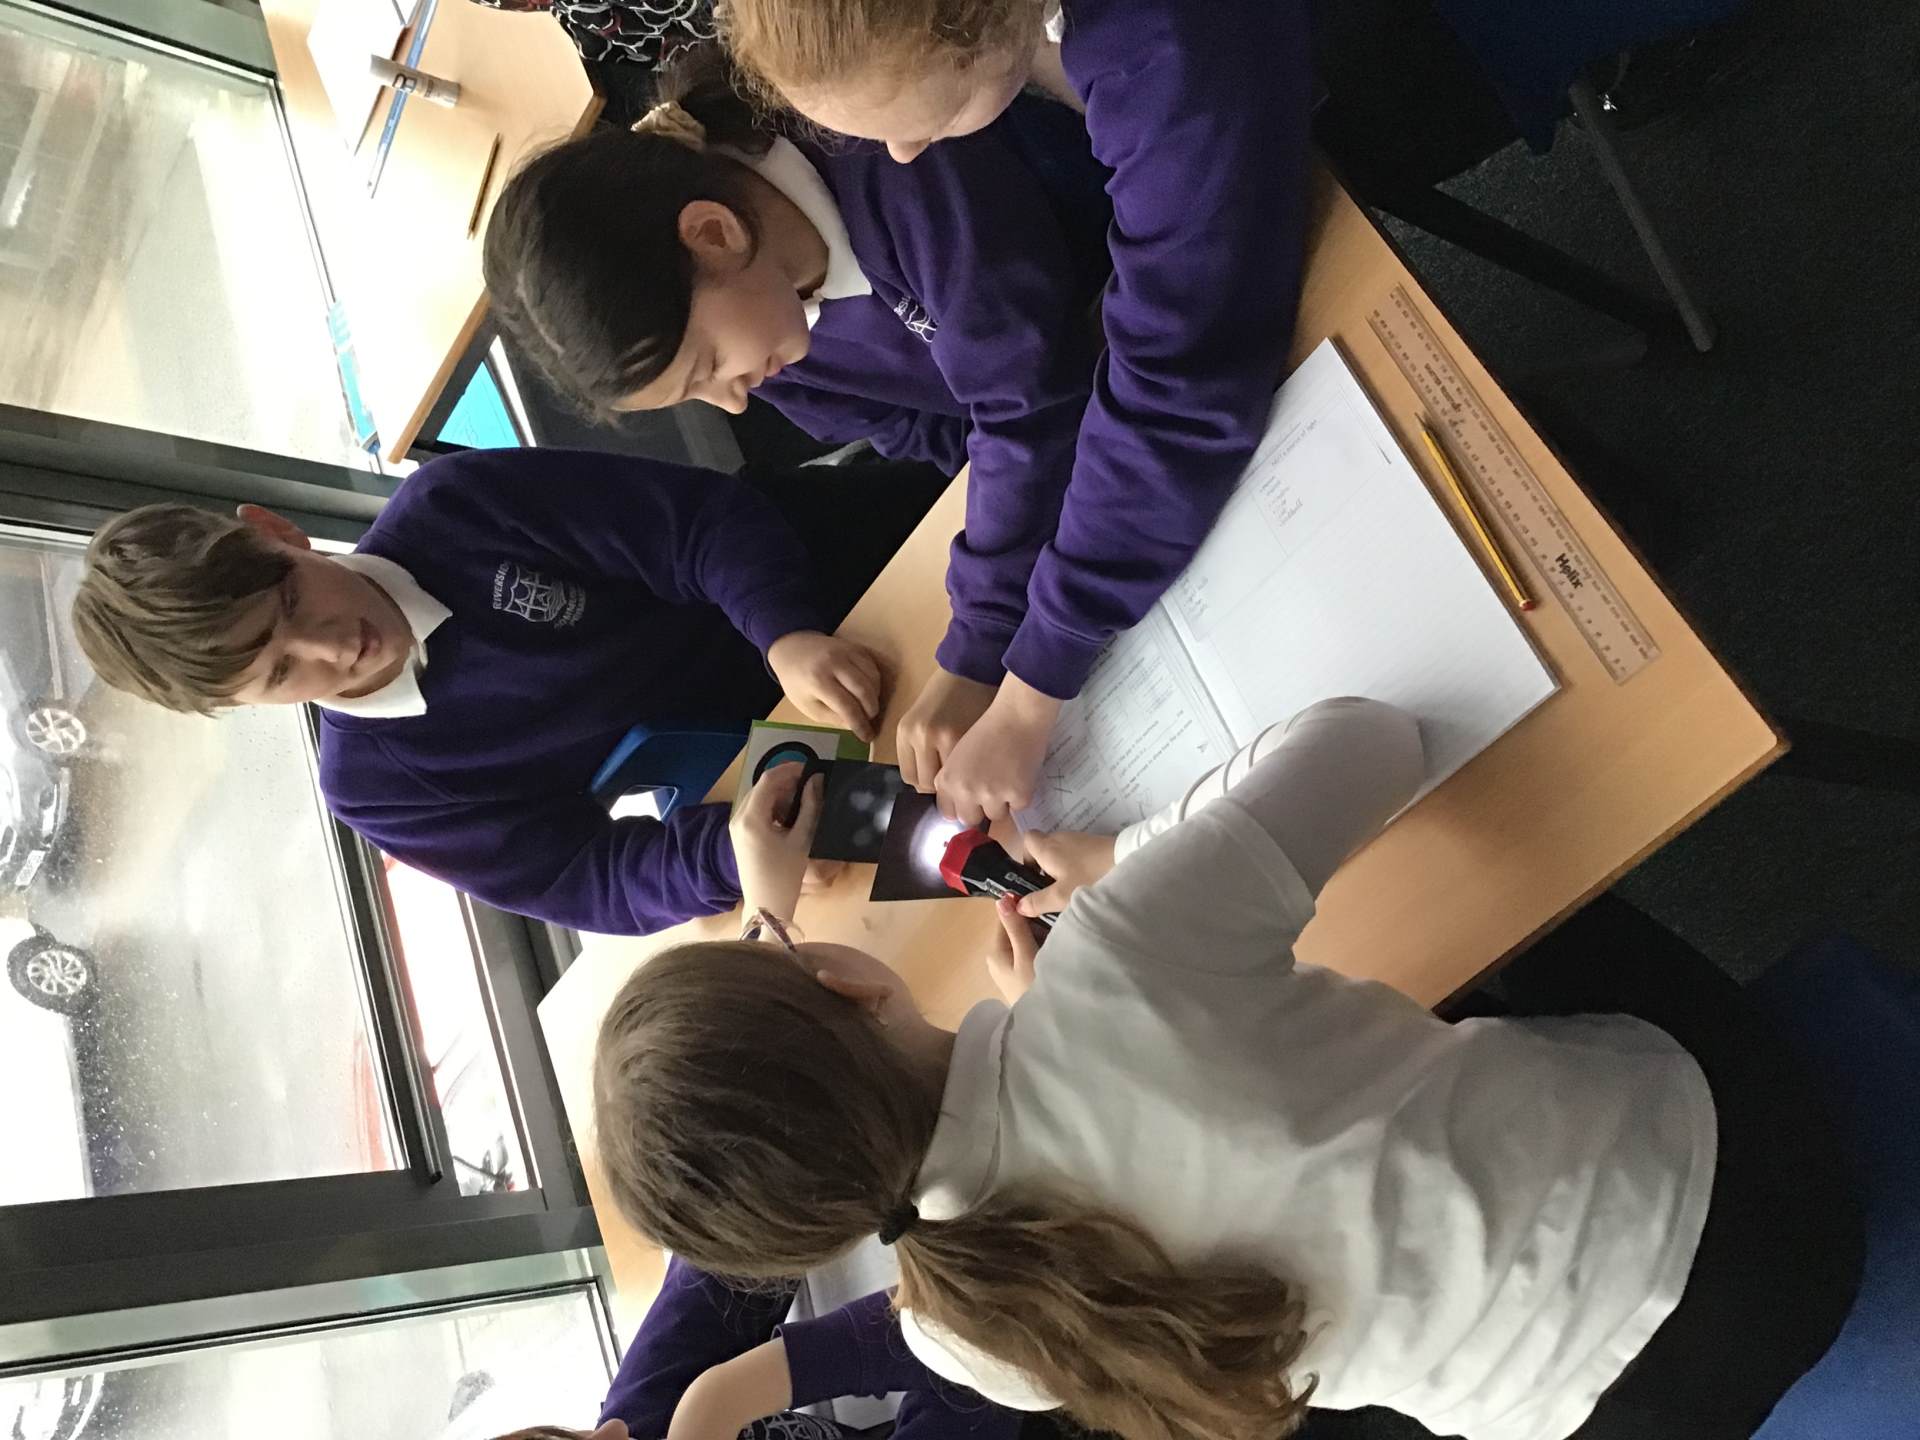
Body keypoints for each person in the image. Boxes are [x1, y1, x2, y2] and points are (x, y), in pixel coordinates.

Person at [589, 698, 1864, 1440]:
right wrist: (1123, 865)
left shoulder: (963, 1331)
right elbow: (1372, 739)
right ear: (846, 978)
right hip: (1768, 1190)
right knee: (1474, 885)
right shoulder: (1116, 960)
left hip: (1634, 1415)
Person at [716, 0, 1314, 825]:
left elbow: (1180, 380)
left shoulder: (1161, 46)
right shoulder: (1073, 43)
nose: (904, 153)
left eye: (916, 124)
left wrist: (1032, 690)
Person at [481, 46, 1107, 811]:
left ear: (714, 234)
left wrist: (980, 645)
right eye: (698, 392)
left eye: (709, 364)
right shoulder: (775, 326)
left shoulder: (889, 154)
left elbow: (1033, 405)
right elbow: (937, 435)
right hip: (1100, 437)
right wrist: (1021, 532)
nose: (733, 402)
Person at [69, 448, 939, 935]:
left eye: (292, 600)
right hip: (794, 754)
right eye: (280, 672)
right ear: (244, 707)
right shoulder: (376, 786)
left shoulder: (454, 507)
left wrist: (784, 631)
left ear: (276, 532)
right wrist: (726, 859)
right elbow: (583, 878)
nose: (331, 646)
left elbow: (697, 528)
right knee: (964, 845)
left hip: (852, 573)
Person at [498, 1256, 1019, 1440]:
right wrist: (725, 1395)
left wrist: (723, 1397)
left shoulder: (643, 1417)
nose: (613, 1432)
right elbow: (988, 1336)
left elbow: (736, 1232)